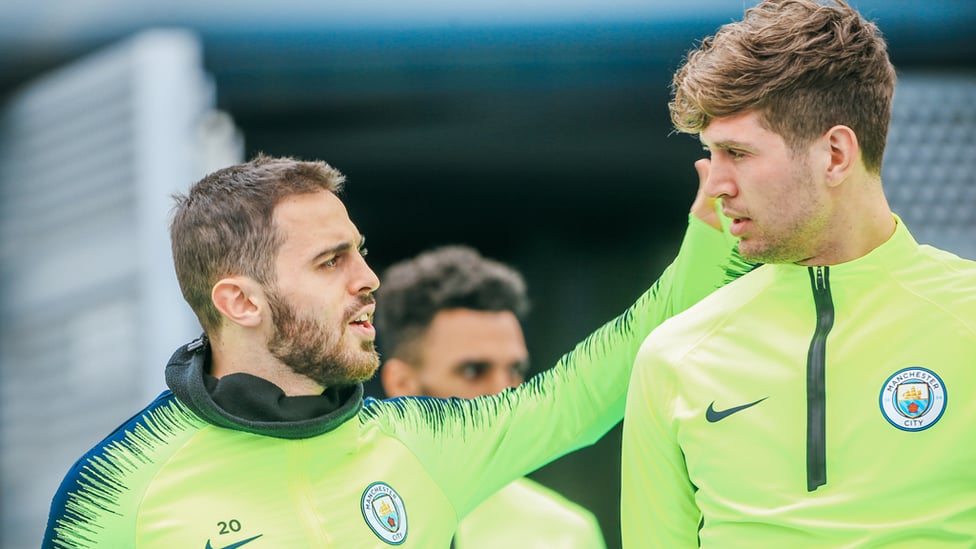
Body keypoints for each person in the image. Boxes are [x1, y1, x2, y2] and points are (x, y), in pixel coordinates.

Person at [43, 153, 737, 548]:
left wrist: (712, 229)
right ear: (240, 302)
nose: (368, 278)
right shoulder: (115, 488)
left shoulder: (422, 443)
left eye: (361, 252)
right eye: (330, 261)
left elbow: (592, 389)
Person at [620, 1, 976, 547]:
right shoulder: (672, 356)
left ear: (835, 154)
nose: (714, 185)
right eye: (710, 155)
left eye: (736, 152)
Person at [376, 245, 607, 548]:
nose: (507, 394)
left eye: (515, 370)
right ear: (402, 383)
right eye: (473, 371)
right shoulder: (344, 515)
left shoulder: (565, 532)